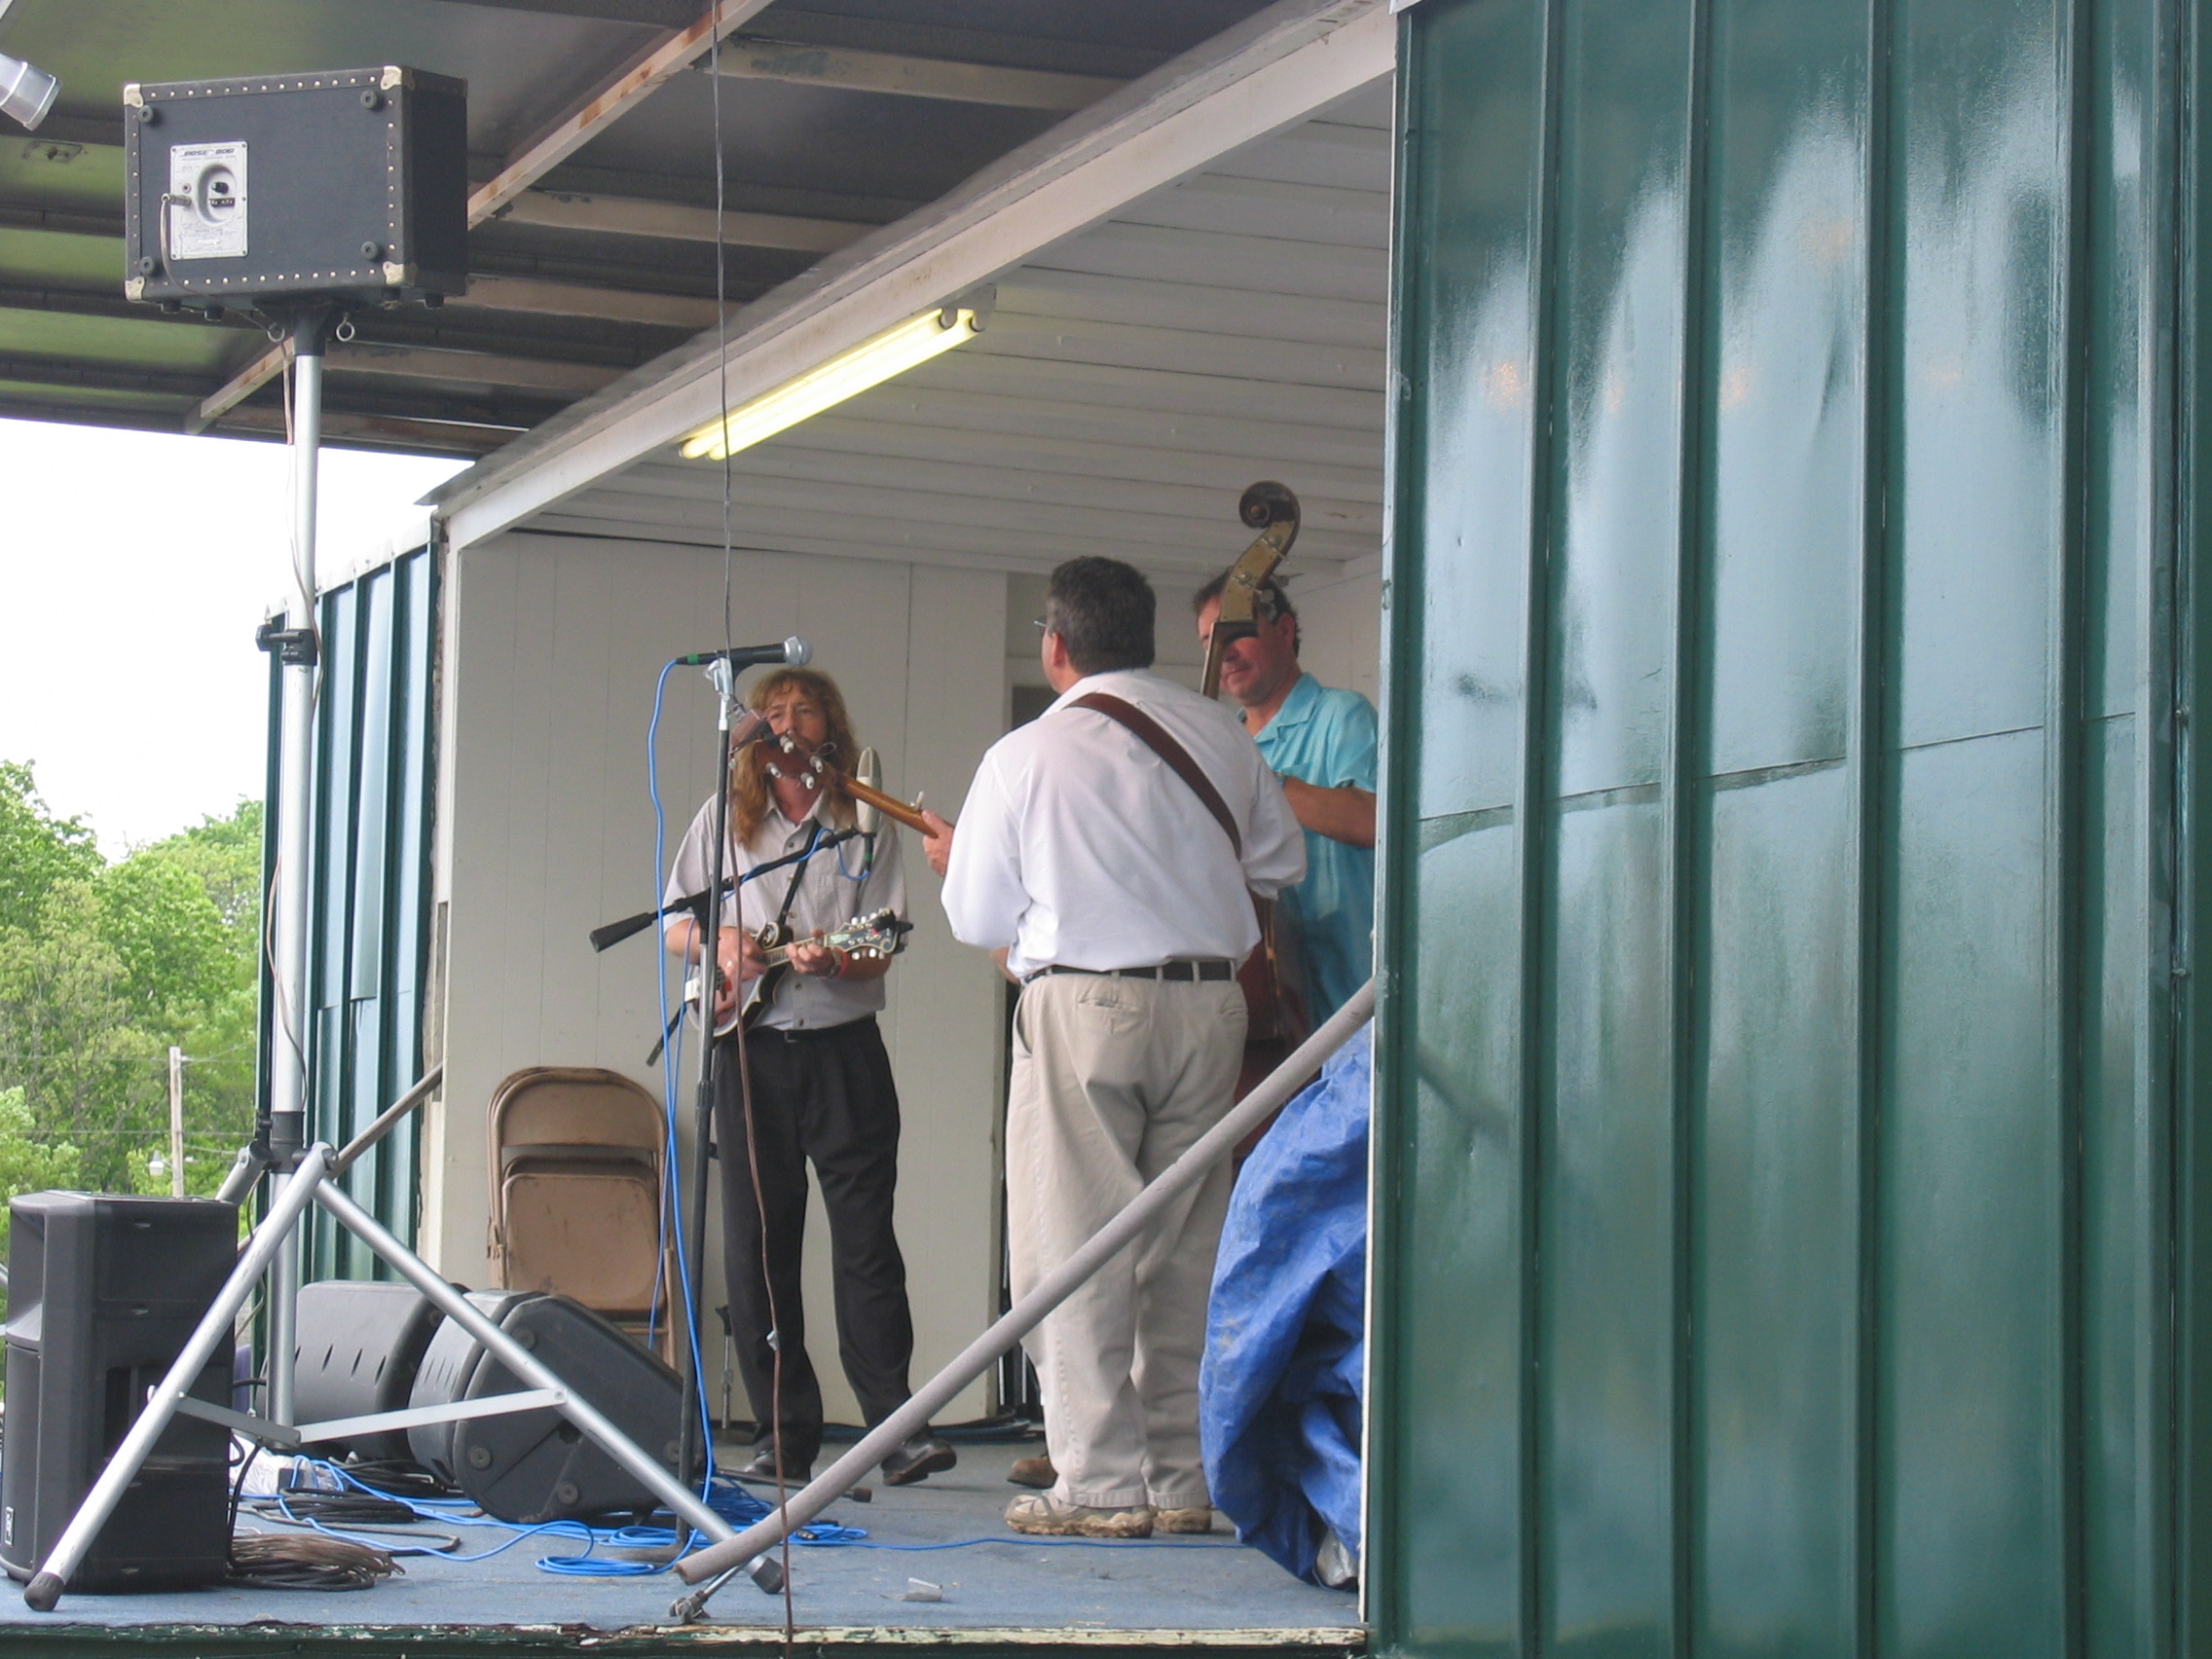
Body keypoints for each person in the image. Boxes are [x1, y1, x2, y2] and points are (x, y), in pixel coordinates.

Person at [919, 557, 1304, 1539]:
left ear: (1055, 645)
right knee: (1183, 1252)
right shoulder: (1217, 732)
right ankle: (1180, 1479)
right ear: (1147, 640)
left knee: (1072, 1247)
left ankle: (1096, 1482)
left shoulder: (1024, 755)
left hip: (1085, 1004)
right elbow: (1281, 862)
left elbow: (975, 918)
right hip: (1212, 1005)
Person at [663, 666, 955, 1489]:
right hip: (748, 1051)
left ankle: (894, 1429)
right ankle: (781, 1435)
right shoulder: (723, 820)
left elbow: (887, 938)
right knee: (762, 1247)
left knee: (866, 1244)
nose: (788, 723)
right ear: (754, 735)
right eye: (773, 712)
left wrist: (841, 954)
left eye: (805, 710)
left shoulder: (865, 817)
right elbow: (676, 922)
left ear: (830, 727)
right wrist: (722, 947)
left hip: (842, 1049)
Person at [1193, 573, 1377, 1025]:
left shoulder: (1342, 714)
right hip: (1265, 1005)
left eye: (1235, 633)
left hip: (1350, 991)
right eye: (1209, 641)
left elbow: (1371, 820)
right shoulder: (1222, 744)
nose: (1224, 653)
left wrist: (1260, 780)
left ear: (1285, 630)